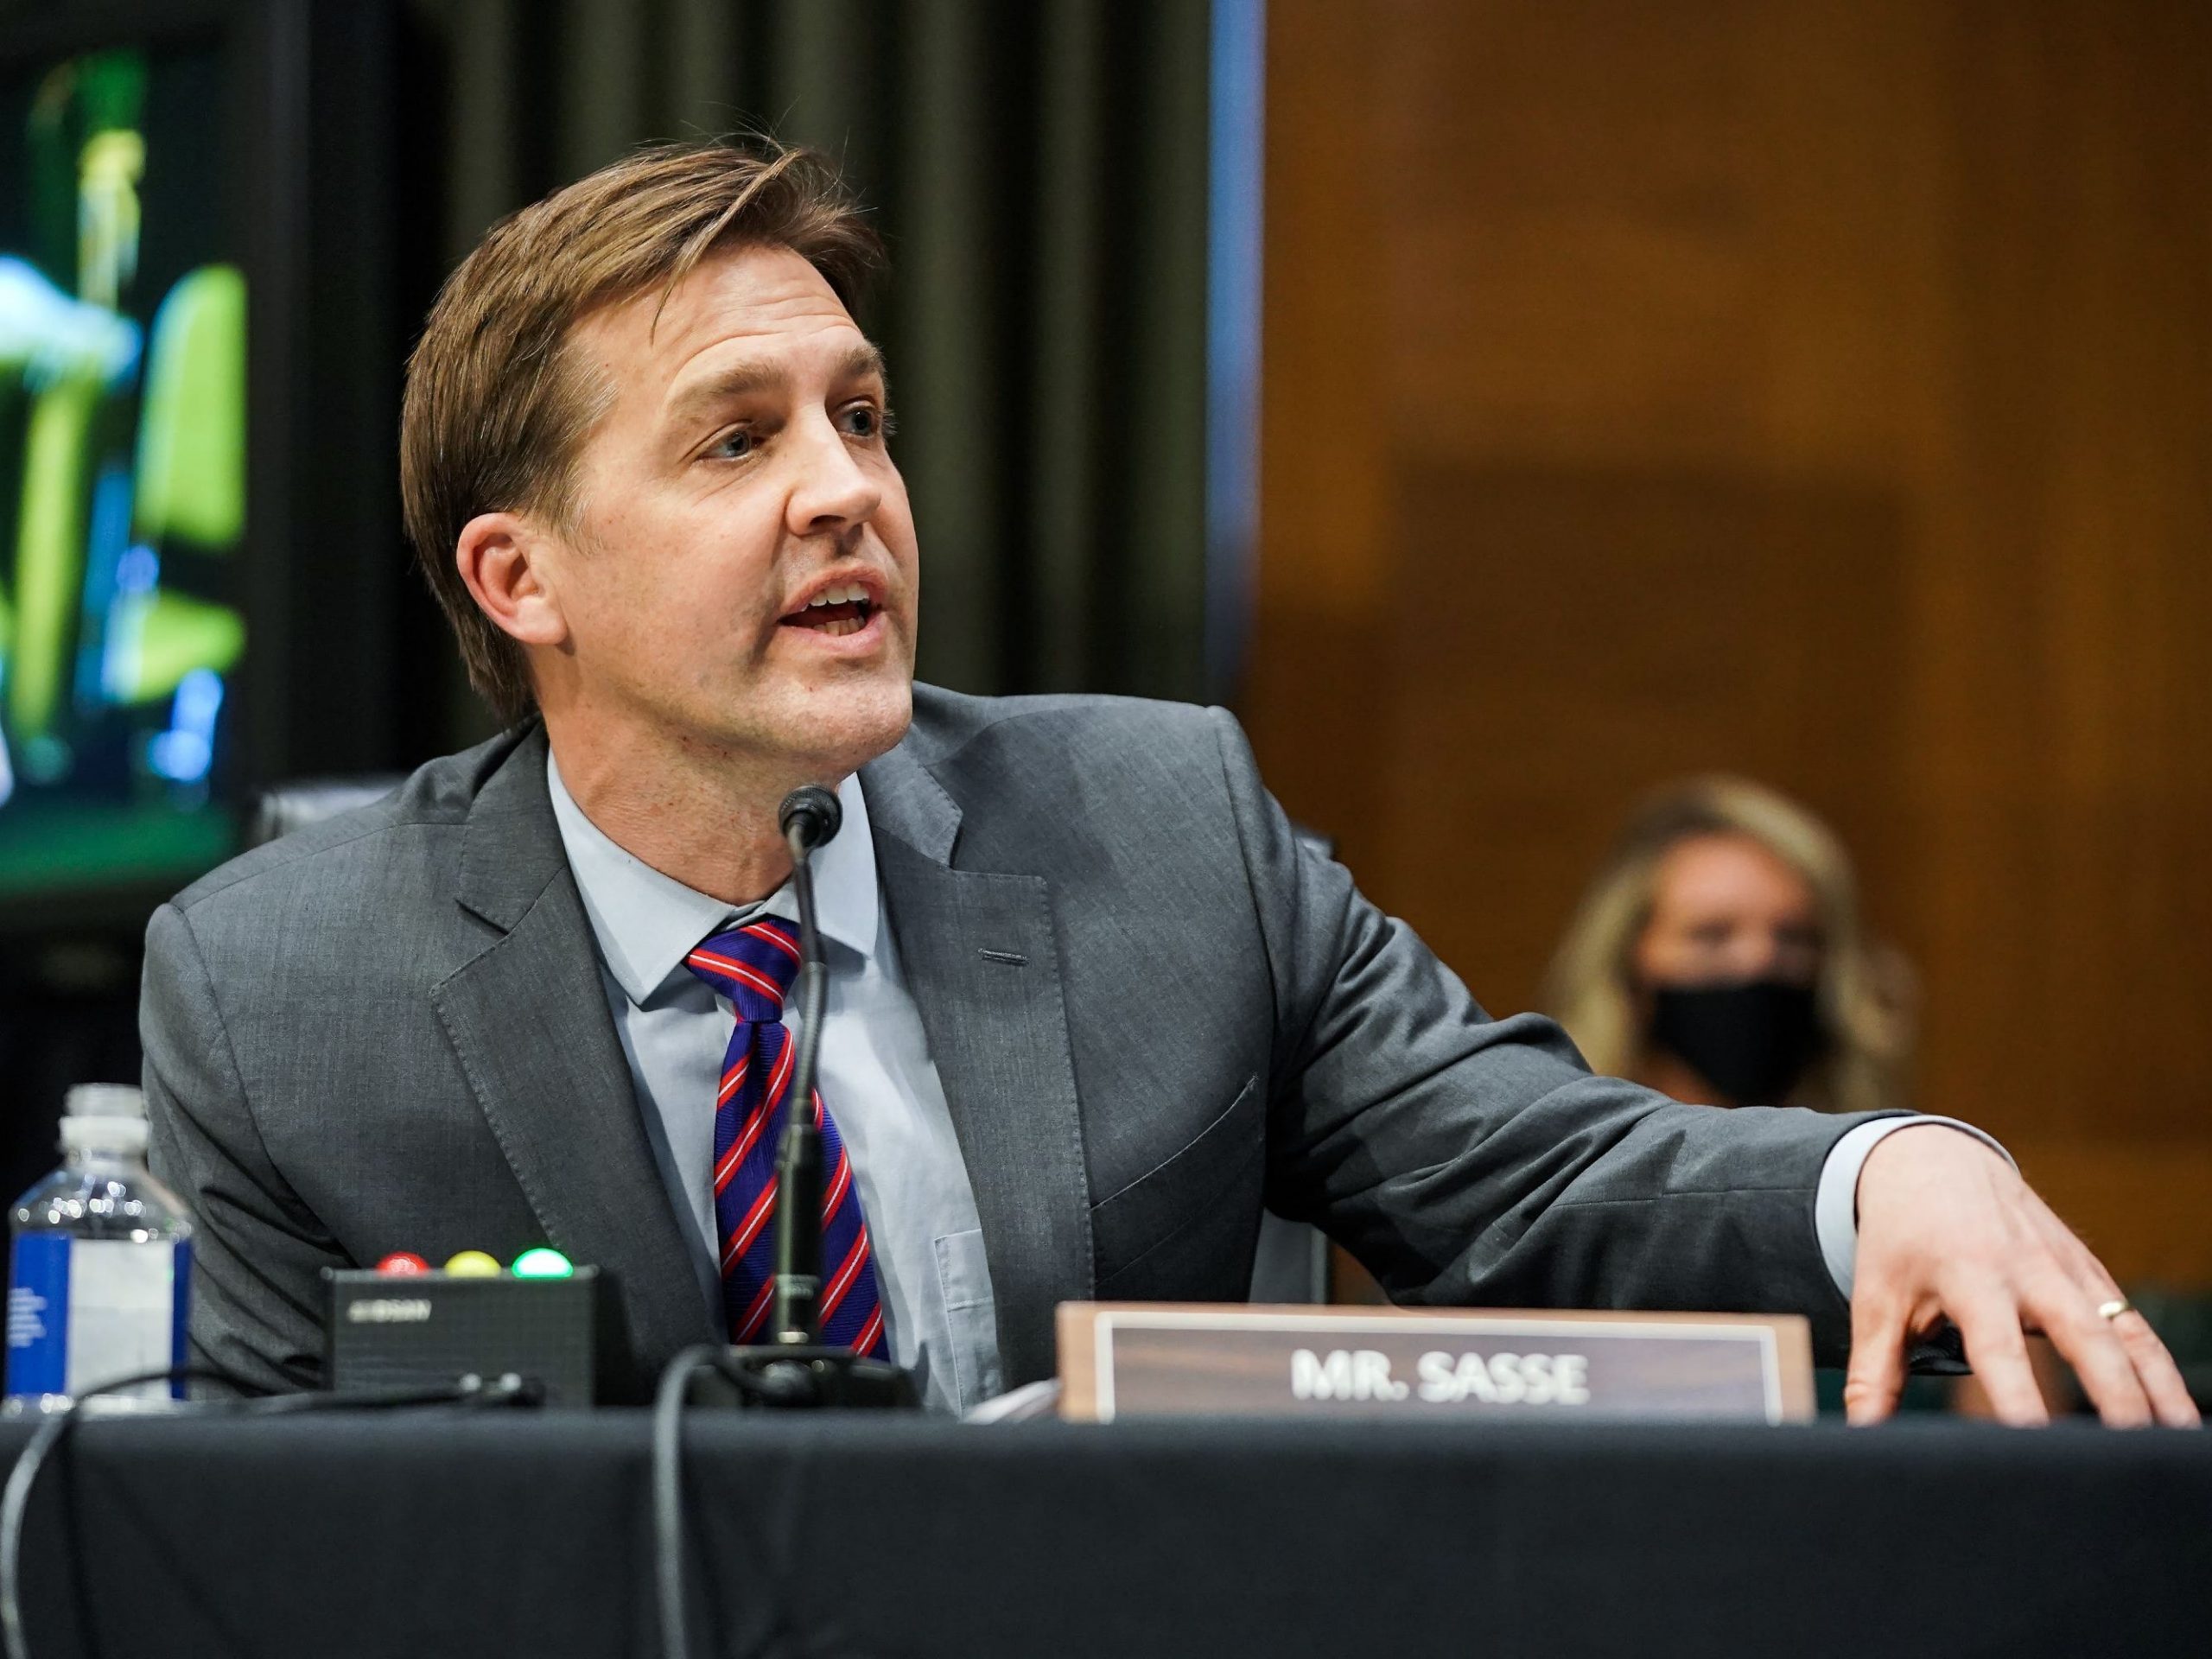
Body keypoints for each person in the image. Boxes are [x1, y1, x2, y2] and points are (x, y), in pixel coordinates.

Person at [138, 143, 2193, 1427]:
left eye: (859, 415)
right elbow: (252, 1543)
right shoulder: (287, 989)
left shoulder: (1153, 829)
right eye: (735, 441)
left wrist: (1878, 1171)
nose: (850, 489)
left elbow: (1540, 1178)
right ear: (522, 577)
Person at [1542, 775, 1910, 1115]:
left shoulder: (1874, 1168)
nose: (1759, 962)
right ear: (1628, 958)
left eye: (1794, 937)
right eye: (1712, 935)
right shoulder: (1557, 1171)